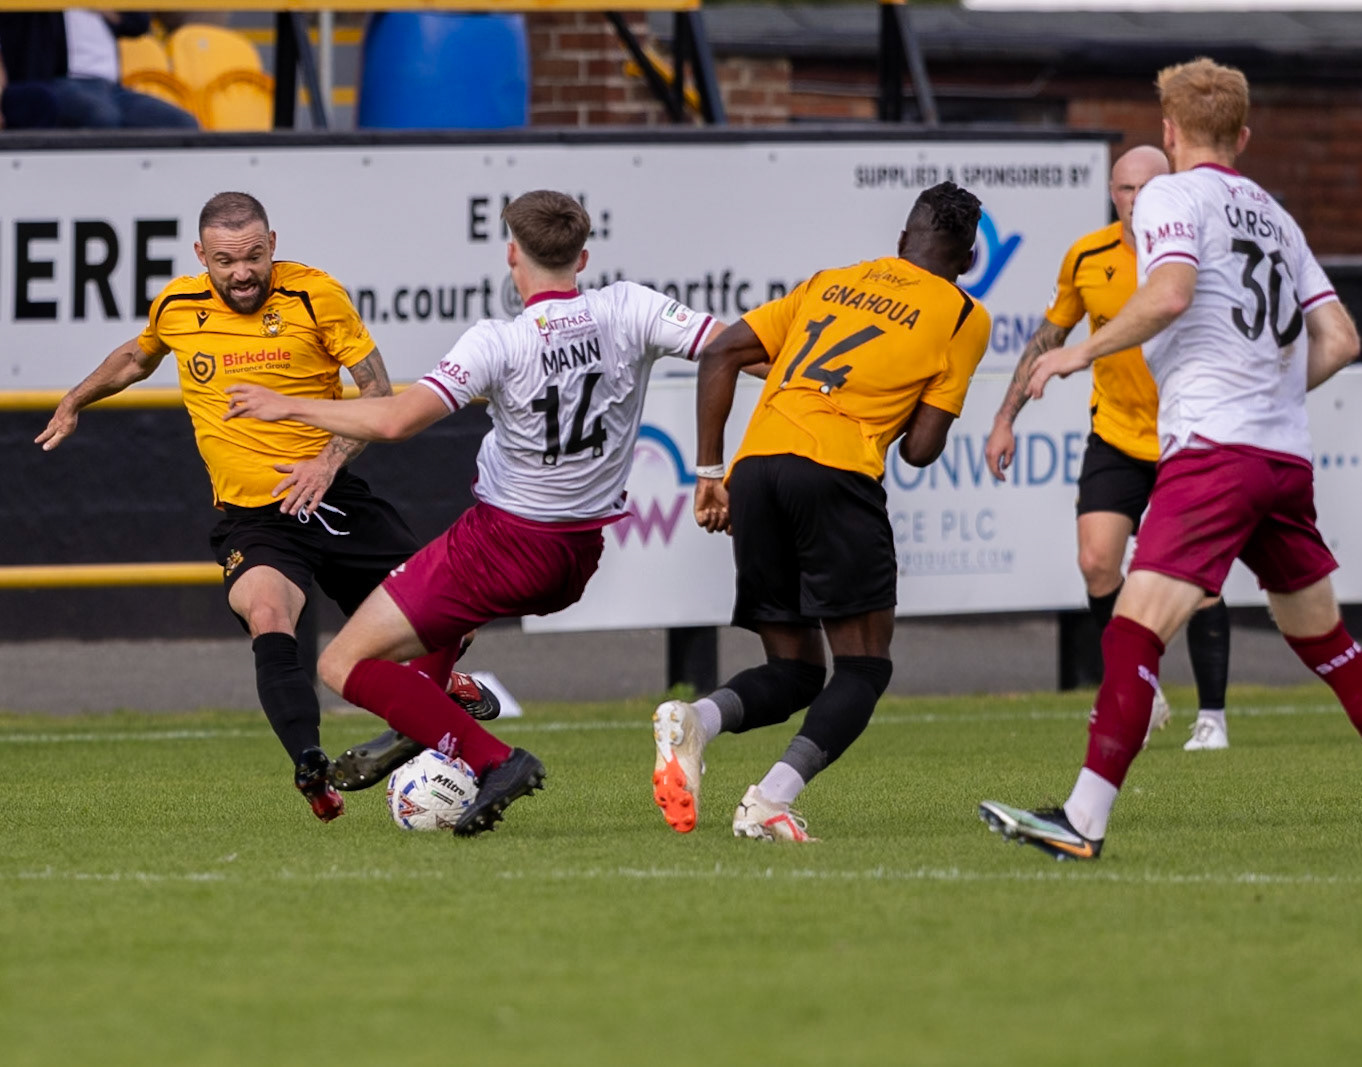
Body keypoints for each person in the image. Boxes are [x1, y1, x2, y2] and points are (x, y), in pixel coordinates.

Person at [977, 57, 1362, 860]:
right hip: (1282, 459)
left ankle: (1082, 821)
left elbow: (1167, 292)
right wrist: (1270, 391)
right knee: (1326, 640)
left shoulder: (1170, 192)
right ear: (1243, 135)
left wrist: (1076, 354)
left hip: (1213, 450)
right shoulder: (1276, 214)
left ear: (1169, 134)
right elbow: (1341, 339)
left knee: (1133, 628)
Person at [224, 189, 722, 837]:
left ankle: (493, 758)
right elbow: (732, 345)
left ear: (512, 254)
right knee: (438, 619)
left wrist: (288, 405)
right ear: (583, 255)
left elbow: (398, 418)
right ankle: (424, 718)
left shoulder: (500, 340)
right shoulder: (631, 305)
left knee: (341, 664)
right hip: (577, 556)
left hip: (503, 543)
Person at [36, 191, 496, 823]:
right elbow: (137, 356)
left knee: (456, 619)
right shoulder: (178, 304)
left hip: (334, 497)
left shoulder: (315, 296)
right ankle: (313, 767)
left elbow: (378, 392)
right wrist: (75, 399)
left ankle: (434, 686)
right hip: (254, 518)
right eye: (226, 261)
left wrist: (328, 461)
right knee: (267, 611)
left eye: (253, 256)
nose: (242, 272)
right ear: (202, 256)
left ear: (272, 244)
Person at [650, 180, 991, 842]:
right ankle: (770, 797)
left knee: (797, 670)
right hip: (834, 472)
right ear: (969, 258)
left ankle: (698, 722)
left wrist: (711, 474)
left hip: (756, 469)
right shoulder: (961, 314)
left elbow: (720, 352)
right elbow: (921, 448)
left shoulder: (827, 282)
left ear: (901, 242)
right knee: (864, 665)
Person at [985, 144, 1234, 751]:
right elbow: (1048, 337)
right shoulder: (1087, 256)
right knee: (1098, 562)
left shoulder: (1199, 248)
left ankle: (1213, 719)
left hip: (1190, 434)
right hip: (1118, 433)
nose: (1133, 200)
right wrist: (1003, 418)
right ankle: (1142, 693)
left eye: (1146, 187)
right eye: (1123, 189)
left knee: (1198, 582)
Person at [0, 11, 198, 130]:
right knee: (101, 116)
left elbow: (138, 21)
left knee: (182, 123)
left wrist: (101, 6)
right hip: (60, 83)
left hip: (112, 89)